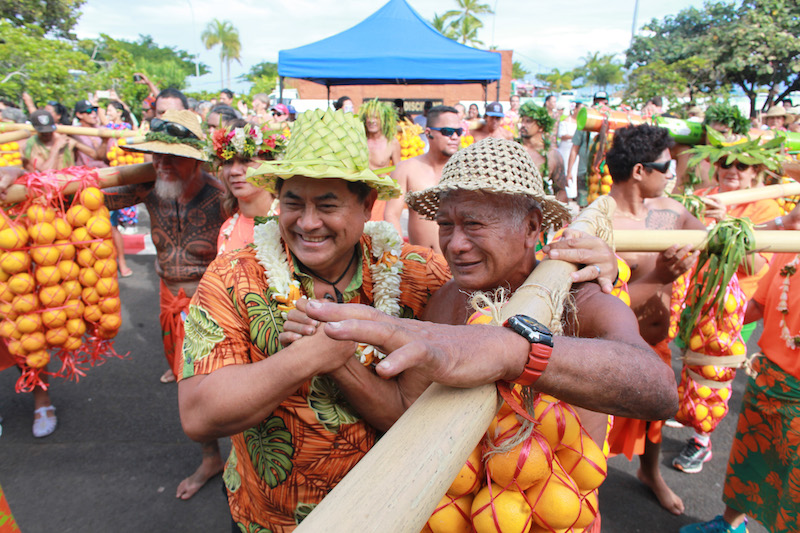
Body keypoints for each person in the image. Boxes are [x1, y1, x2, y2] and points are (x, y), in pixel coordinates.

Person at [176, 111, 658, 532]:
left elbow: (654, 384)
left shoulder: (423, 274)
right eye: (447, 225)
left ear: (367, 207)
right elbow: (406, 412)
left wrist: (592, 278)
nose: (456, 243)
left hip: (540, 514)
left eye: (327, 204)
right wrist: (325, 357)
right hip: (290, 516)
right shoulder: (238, 276)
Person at [105, 108, 227, 500]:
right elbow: (88, 198)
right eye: (155, 155)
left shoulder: (222, 196)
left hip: (212, 303)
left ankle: (242, 458)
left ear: (194, 158)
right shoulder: (147, 187)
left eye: (170, 155)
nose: (160, 163)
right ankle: (212, 458)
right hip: (167, 298)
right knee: (184, 384)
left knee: (214, 389)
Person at [605, 124, 709, 516]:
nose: (672, 173)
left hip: (656, 344)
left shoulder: (670, 213)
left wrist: (773, 227)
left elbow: (721, 247)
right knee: (593, 423)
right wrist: (659, 279)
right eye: (665, 166)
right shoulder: (599, 224)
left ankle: (651, 473)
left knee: (656, 412)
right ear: (638, 171)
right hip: (608, 344)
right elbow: (591, 304)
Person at [670, 136, 783, 475]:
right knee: (691, 364)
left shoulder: (767, 208)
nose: (732, 170)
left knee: (716, 375)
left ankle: (702, 440)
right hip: (694, 302)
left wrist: (723, 226)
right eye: (725, 163)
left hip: (736, 309)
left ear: (756, 173)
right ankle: (687, 410)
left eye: (742, 165)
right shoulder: (703, 197)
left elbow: (758, 266)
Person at [679, 248, 800, 533]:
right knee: (749, 463)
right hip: (769, 378)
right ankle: (730, 525)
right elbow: (757, 305)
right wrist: (707, 324)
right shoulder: (791, 249)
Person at [384, 105, 461, 252]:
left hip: (457, 265)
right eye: (448, 131)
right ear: (428, 133)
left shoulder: (465, 171)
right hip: (419, 264)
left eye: (458, 131)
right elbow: (391, 214)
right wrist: (401, 255)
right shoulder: (405, 169)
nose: (455, 137)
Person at [209, 120, 281, 254]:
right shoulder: (227, 229)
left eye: (246, 160)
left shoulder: (287, 223)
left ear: (271, 165)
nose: (234, 171)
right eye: (228, 162)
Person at [359, 99, 401, 221]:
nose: (372, 121)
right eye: (369, 117)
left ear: (384, 120)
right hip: (360, 194)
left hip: (381, 197)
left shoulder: (392, 143)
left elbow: (398, 170)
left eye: (376, 117)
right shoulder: (359, 141)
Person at [518, 101, 567, 202]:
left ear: (541, 127)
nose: (523, 125)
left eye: (528, 121)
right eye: (522, 121)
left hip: (537, 209)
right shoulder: (512, 150)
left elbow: (561, 191)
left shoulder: (553, 155)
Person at [567, 94, 608, 206]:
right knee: (584, 209)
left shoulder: (612, 124)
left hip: (604, 176)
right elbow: (574, 148)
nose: (600, 105)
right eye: (597, 102)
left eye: (604, 103)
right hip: (584, 173)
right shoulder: (585, 124)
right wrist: (569, 172)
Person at [72, 100, 111, 168]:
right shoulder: (73, 132)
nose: (94, 114)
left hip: (106, 171)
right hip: (85, 174)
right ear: (79, 115)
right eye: (89, 111)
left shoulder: (103, 130)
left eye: (94, 110)